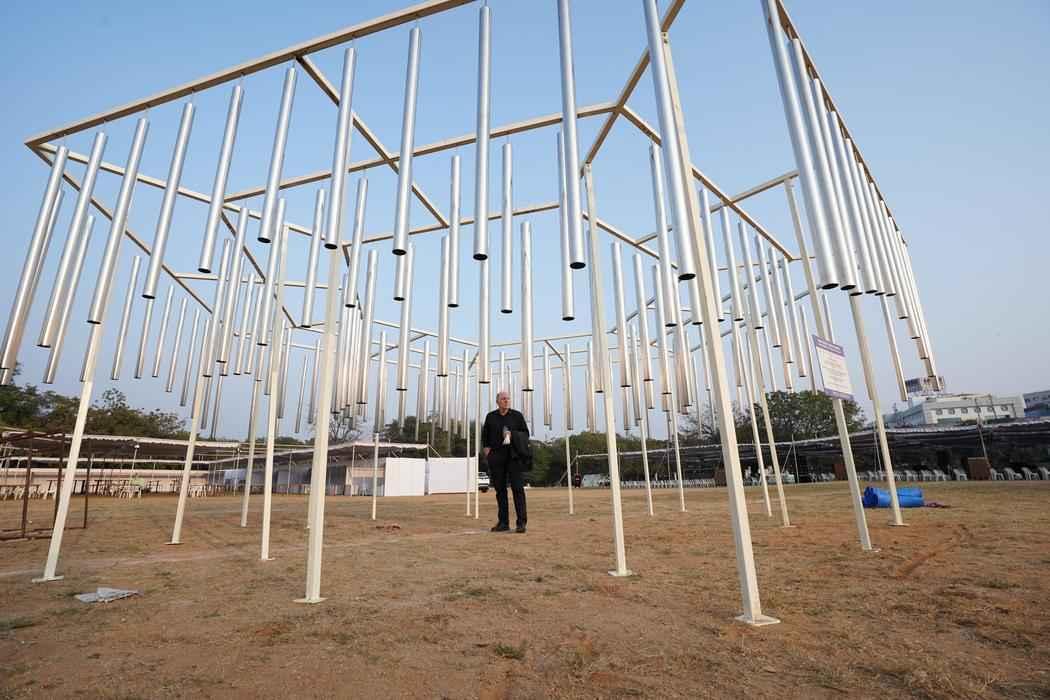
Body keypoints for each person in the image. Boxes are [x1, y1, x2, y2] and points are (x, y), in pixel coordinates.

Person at [482, 390, 529, 533]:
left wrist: (512, 434)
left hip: (513, 456)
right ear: (497, 401)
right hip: (496, 456)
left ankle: (521, 523)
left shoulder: (517, 416)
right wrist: (487, 450)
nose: (506, 401)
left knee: (518, 489)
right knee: (500, 490)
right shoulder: (491, 416)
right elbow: (485, 436)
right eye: (503, 399)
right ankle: (503, 523)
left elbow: (525, 434)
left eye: (508, 398)